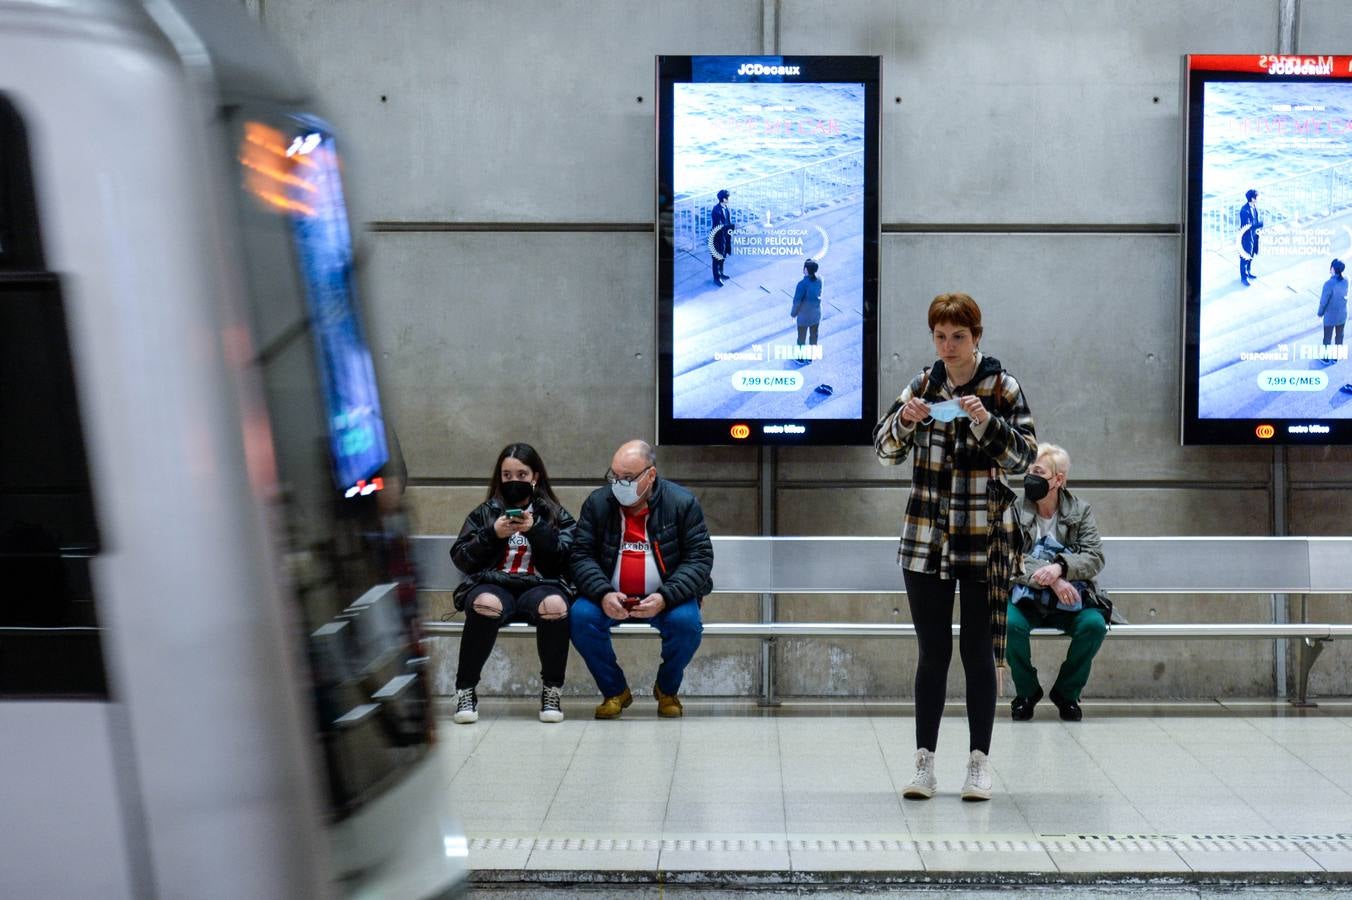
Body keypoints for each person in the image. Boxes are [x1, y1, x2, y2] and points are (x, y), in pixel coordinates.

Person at [873, 292, 1037, 802]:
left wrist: (987, 422)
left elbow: (1025, 458)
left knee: (977, 653)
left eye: (958, 337)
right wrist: (904, 421)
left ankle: (979, 762)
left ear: (977, 337)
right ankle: (924, 762)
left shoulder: (1003, 386)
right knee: (932, 652)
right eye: (940, 336)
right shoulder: (923, 384)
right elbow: (882, 452)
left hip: (984, 538)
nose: (948, 346)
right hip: (926, 537)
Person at [569, 440, 712, 719]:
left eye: (628, 478)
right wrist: (602, 593)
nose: (619, 484)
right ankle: (615, 691)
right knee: (579, 618)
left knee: (687, 625)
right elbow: (580, 556)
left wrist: (665, 597)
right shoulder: (598, 503)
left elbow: (699, 560)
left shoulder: (682, 503)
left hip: (666, 597)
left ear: (651, 474)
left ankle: (667, 689)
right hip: (609, 596)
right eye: (614, 476)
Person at [449, 443, 576, 724]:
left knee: (556, 605)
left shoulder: (553, 514)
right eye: (507, 476)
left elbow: (569, 558)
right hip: (493, 585)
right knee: (484, 604)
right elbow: (461, 557)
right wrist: (491, 534)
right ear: (500, 478)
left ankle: (551, 690)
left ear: (535, 477)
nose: (514, 481)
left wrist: (537, 530)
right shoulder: (485, 513)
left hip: (541, 586)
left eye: (521, 474)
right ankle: (465, 689)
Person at [1006, 443, 1113, 723]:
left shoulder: (1080, 510)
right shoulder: (1014, 509)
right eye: (1029, 470)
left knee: (1093, 625)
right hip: (1026, 597)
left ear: (1058, 480)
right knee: (1006, 624)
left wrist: (1061, 567)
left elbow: (1094, 556)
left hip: (1072, 599)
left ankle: (1067, 693)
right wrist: (1052, 579)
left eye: (1038, 472)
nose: (1030, 477)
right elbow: (1008, 556)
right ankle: (1026, 693)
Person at [790, 258, 823, 364]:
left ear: (806, 270)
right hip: (816, 314)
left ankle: (800, 358)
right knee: (814, 336)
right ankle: (811, 356)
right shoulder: (820, 279)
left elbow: (797, 301)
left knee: (801, 337)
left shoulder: (802, 284)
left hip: (804, 316)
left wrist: (793, 313)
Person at [1317, 258, 1347, 367]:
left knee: (1327, 337)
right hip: (1342, 315)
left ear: (1333, 269)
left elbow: (1324, 301)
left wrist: (1320, 313)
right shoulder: (1346, 281)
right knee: (1339, 336)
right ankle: (1336, 356)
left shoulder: (1328, 284)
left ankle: (1325, 358)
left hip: (1330, 316)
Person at [710, 189, 734, 285]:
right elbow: (719, 226)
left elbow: (727, 221)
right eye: (727, 198)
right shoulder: (716, 210)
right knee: (717, 257)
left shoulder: (725, 208)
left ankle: (721, 273)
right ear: (723, 199)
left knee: (723, 256)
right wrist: (731, 227)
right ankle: (716, 278)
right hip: (717, 237)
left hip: (725, 236)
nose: (729, 199)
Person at [1239, 188, 1263, 285]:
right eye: (1257, 197)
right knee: (1245, 257)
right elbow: (1247, 226)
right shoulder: (1244, 210)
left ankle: (1248, 272)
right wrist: (1260, 225)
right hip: (1246, 237)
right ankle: (1243, 277)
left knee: (1251, 255)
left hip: (1253, 236)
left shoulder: (1254, 206)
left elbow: (1255, 220)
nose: (1259, 198)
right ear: (1253, 198)